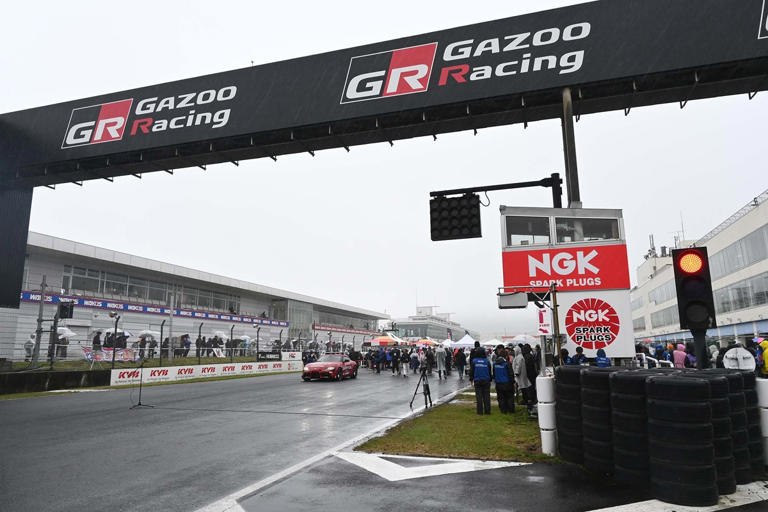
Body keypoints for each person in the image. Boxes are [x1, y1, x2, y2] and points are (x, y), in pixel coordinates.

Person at [470, 342, 492, 415]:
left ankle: (480, 412)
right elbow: (489, 371)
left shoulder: (474, 361)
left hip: (477, 380)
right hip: (486, 380)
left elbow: (472, 371)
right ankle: (487, 411)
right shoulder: (487, 361)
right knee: (487, 396)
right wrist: (490, 379)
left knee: (479, 397)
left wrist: (471, 379)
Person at [513, 346, 532, 414]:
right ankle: (526, 399)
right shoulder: (519, 357)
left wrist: (516, 372)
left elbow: (518, 366)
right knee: (523, 387)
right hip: (521, 375)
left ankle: (525, 400)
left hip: (520, 375)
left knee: (523, 387)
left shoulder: (519, 357)